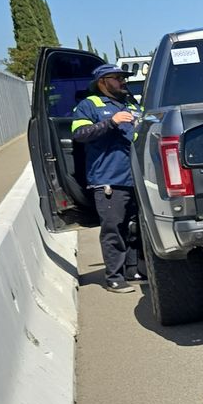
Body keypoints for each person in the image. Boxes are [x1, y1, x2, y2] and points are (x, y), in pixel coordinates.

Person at [70, 64, 145, 292]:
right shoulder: (89, 104)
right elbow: (79, 134)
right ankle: (114, 277)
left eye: (123, 78)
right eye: (117, 78)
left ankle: (133, 270)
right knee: (114, 228)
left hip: (136, 177)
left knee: (134, 227)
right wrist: (111, 122)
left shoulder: (131, 104)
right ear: (102, 82)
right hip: (108, 178)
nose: (123, 81)